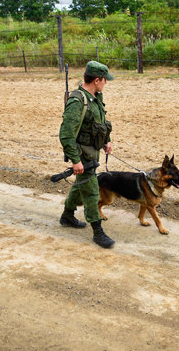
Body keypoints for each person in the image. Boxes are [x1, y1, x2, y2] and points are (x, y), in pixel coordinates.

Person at [59, 61, 115, 248]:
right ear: (97, 80)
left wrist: (107, 140)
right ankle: (97, 231)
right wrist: (76, 161)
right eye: (105, 80)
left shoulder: (95, 97)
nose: (106, 83)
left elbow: (101, 121)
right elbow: (66, 134)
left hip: (92, 152)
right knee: (91, 191)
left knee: (81, 185)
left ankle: (67, 215)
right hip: (82, 154)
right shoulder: (77, 101)